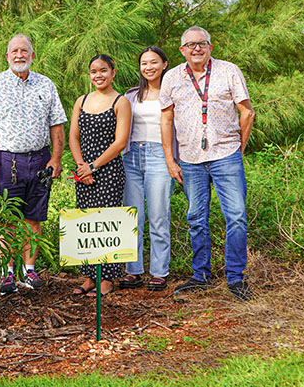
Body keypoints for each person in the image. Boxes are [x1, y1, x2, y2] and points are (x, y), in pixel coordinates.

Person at [161, 26, 255, 301]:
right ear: (182, 50)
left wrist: (239, 149)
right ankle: (199, 276)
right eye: (191, 45)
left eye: (202, 43)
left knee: (236, 215)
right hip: (190, 159)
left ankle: (236, 278)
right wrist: (170, 159)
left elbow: (247, 111)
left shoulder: (228, 71)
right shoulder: (172, 78)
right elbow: (166, 120)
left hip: (226, 155)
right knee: (196, 218)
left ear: (210, 47)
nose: (197, 48)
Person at [0, 34, 67, 295]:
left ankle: (29, 270)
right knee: (7, 220)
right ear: (7, 56)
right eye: (14, 51)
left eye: (24, 51)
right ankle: (7, 273)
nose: (19, 55)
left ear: (32, 55)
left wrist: (56, 159)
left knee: (33, 218)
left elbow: (57, 124)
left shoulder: (45, 85)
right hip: (6, 161)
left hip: (40, 159)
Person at [68, 54, 132, 296]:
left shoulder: (121, 102)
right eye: (94, 71)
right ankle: (89, 276)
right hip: (83, 171)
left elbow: (120, 142)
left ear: (113, 72)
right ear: (89, 75)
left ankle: (107, 278)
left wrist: (93, 167)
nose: (99, 75)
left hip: (108, 171)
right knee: (86, 223)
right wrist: (81, 166)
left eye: (103, 70)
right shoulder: (81, 101)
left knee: (107, 222)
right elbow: (74, 137)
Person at [122, 47, 179, 291]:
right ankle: (133, 271)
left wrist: (174, 160)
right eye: (144, 63)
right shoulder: (131, 95)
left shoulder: (173, 93)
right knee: (132, 215)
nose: (148, 67)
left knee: (158, 215)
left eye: (153, 62)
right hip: (131, 156)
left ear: (164, 64)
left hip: (160, 156)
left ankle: (159, 271)